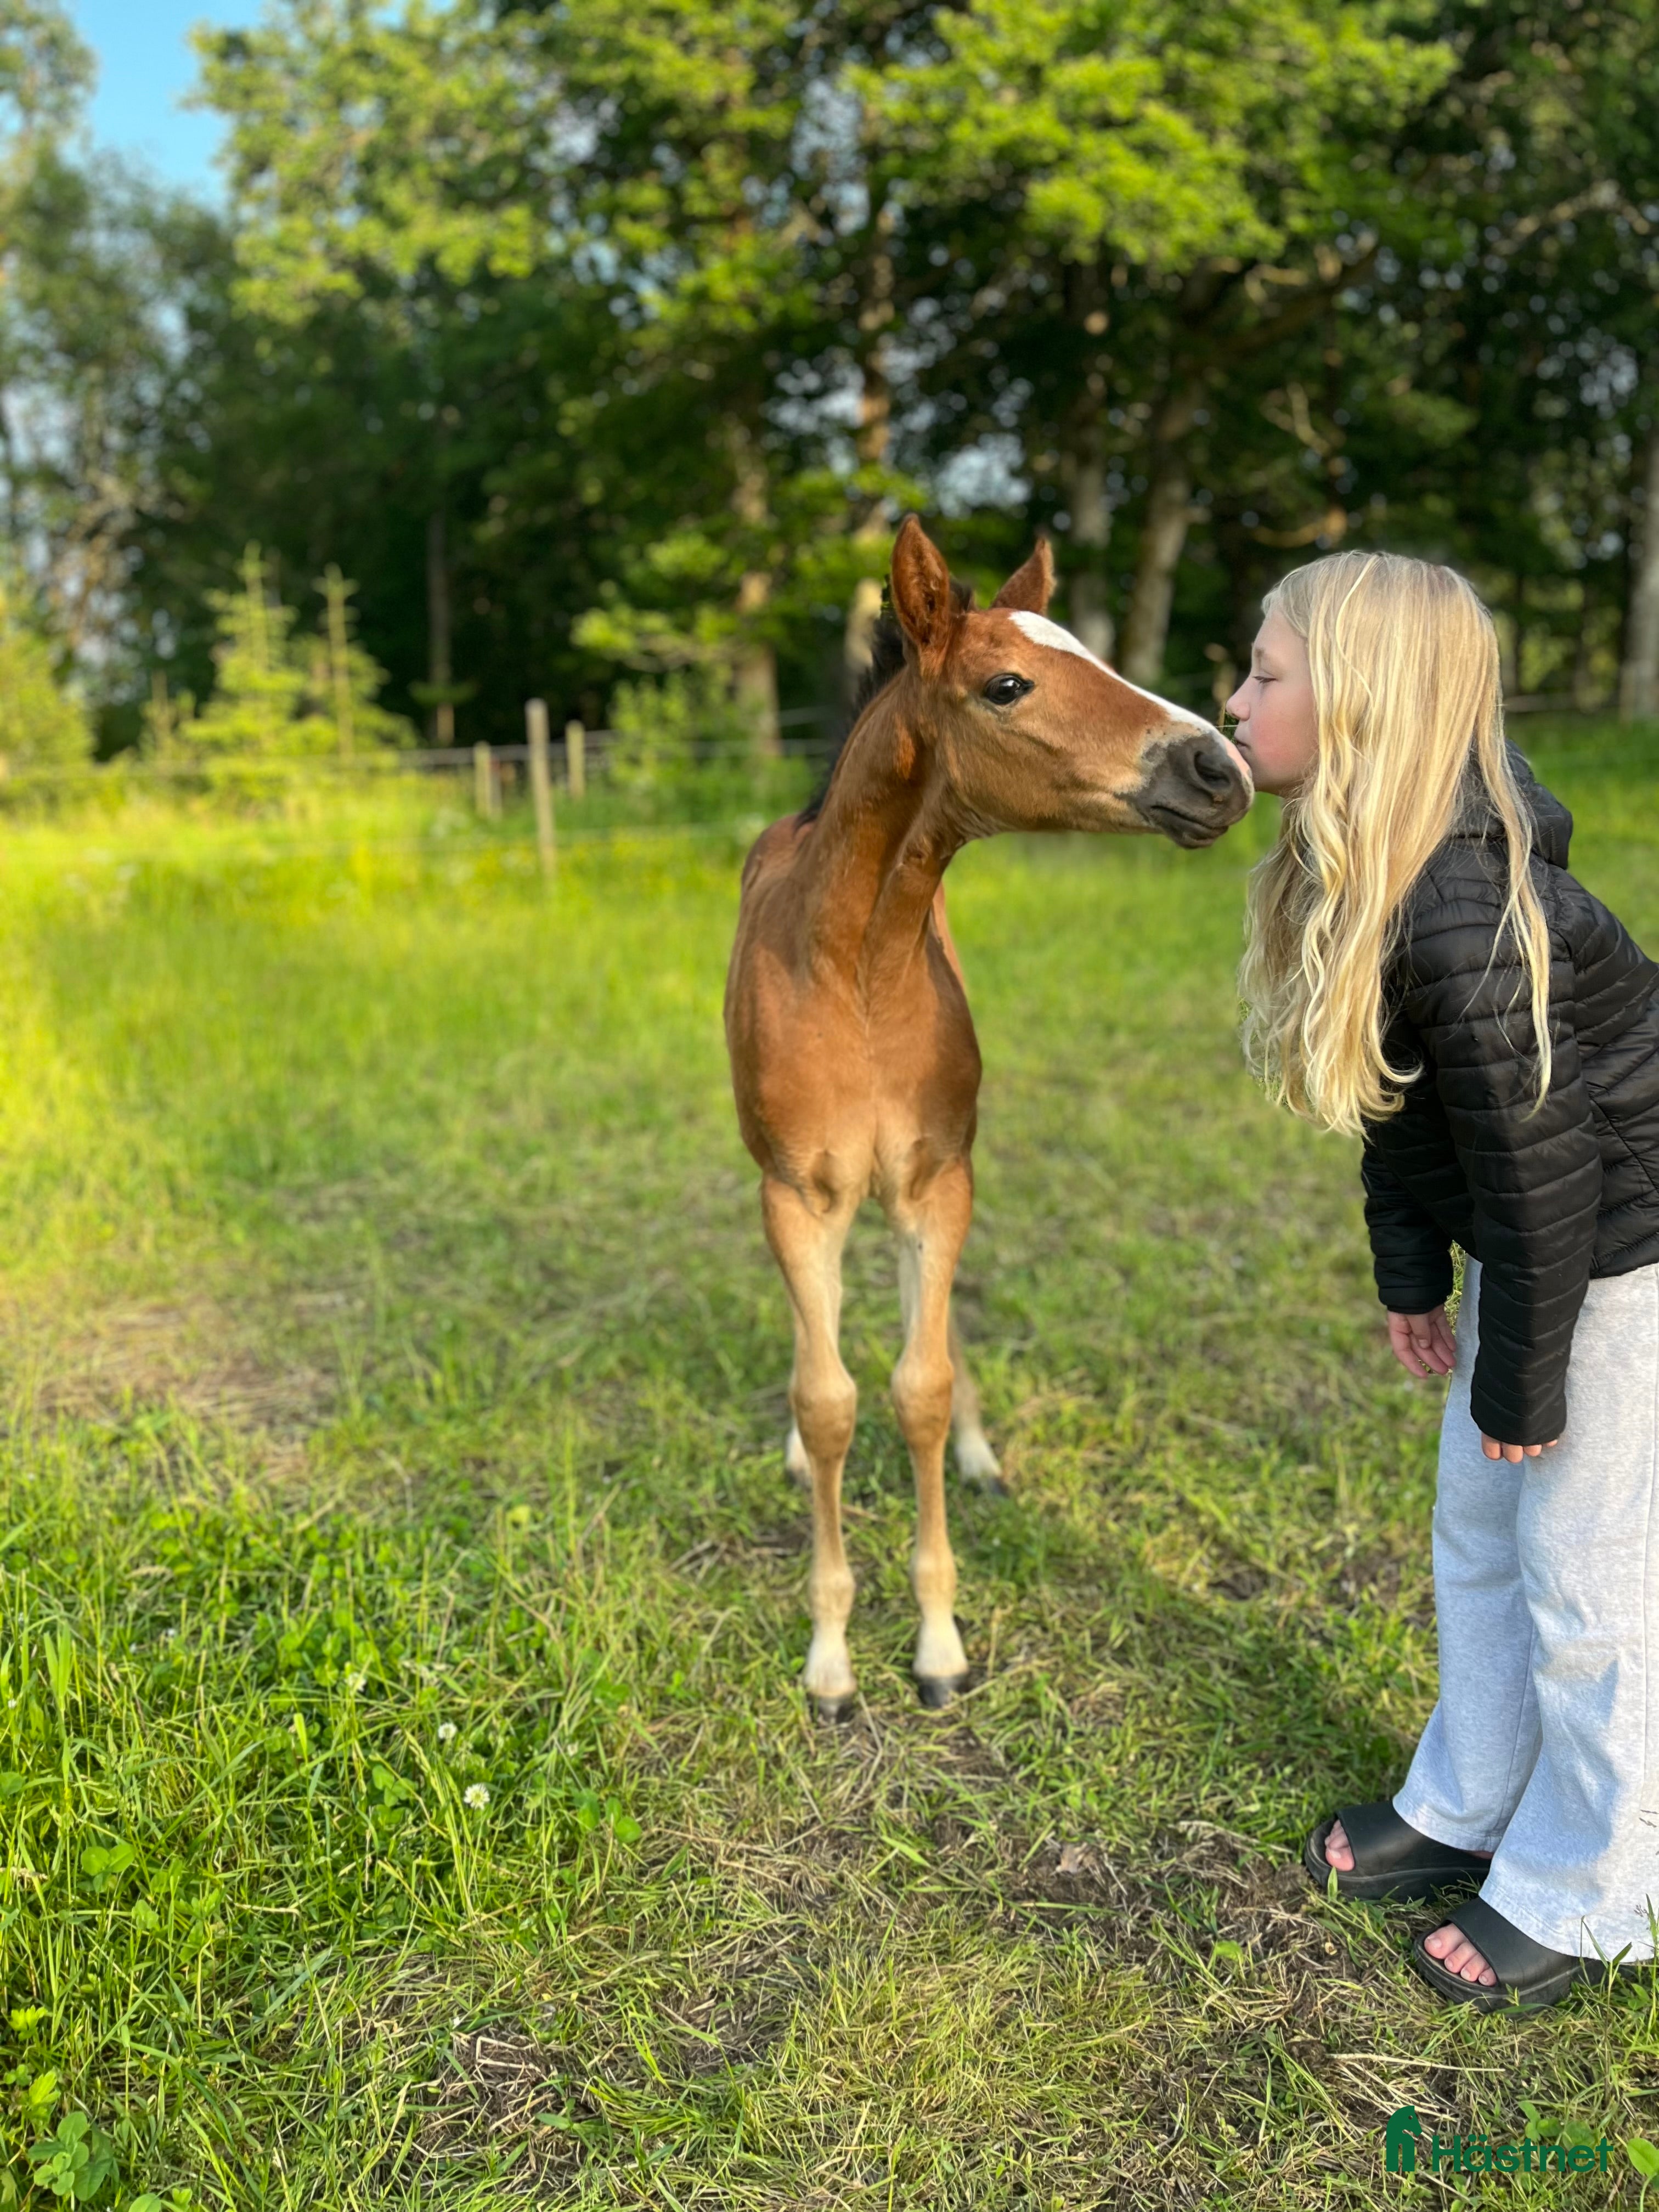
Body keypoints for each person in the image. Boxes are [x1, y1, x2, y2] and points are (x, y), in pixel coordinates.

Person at [1228, 550, 1659, 2011]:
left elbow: (1551, 1177)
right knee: (1477, 1535)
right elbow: (1408, 1113)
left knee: (1589, 1578)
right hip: (1541, 1254)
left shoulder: (1465, 914)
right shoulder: (1376, 875)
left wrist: (1525, 1373)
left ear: (1356, 707)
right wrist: (1416, 1276)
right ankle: (1469, 1802)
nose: (1235, 701)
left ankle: (1592, 1889)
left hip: (1621, 1261)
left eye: (1265, 674)